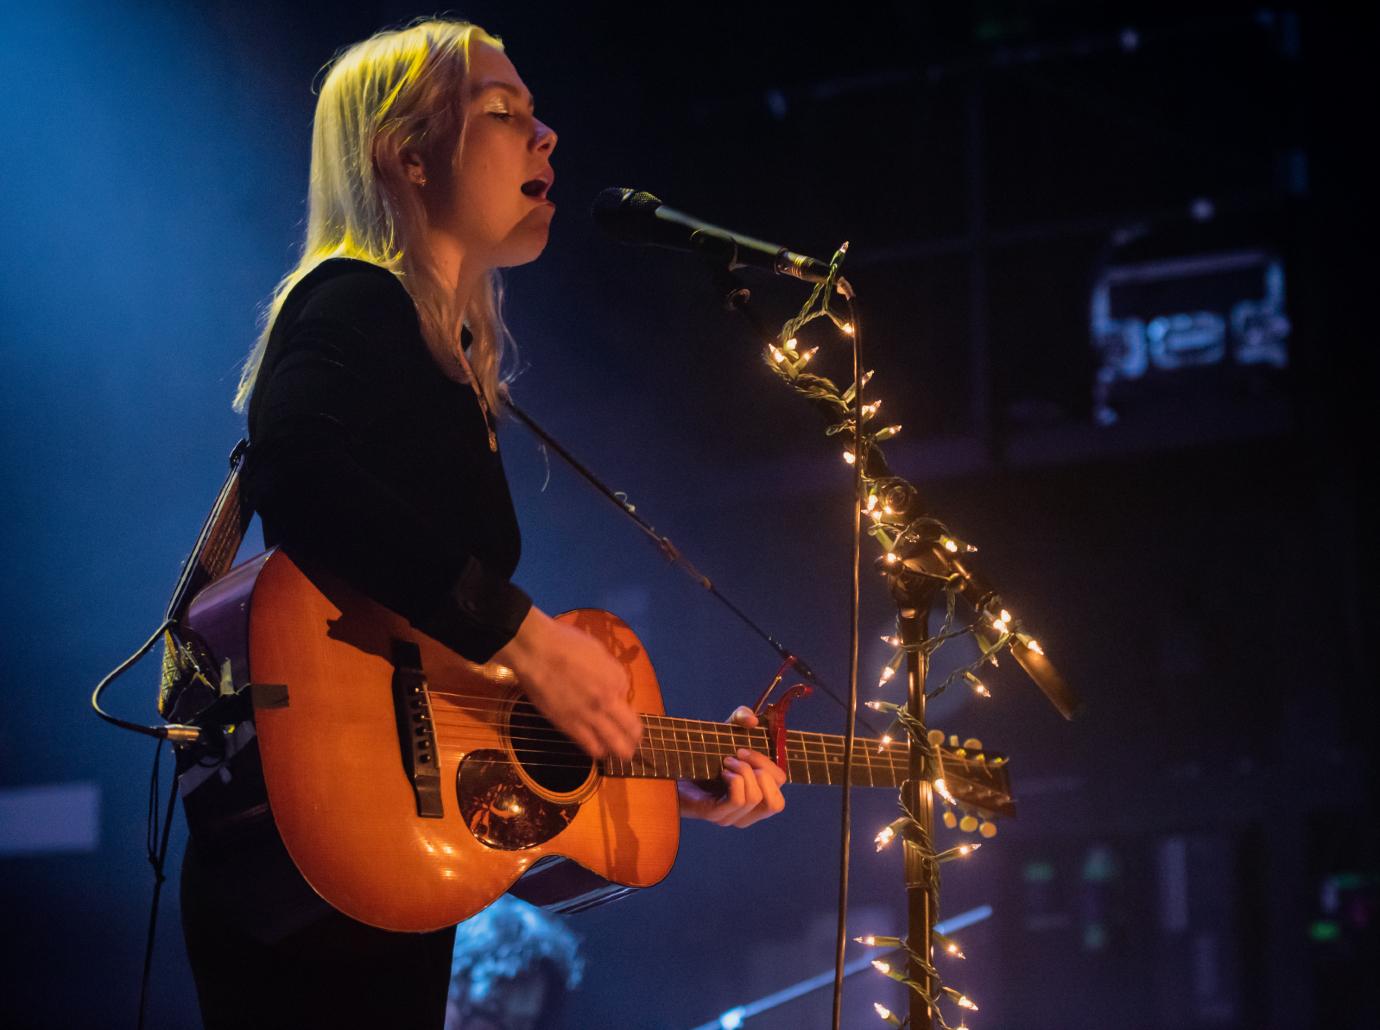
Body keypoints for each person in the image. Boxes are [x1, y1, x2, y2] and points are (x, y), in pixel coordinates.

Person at [180, 18, 787, 1029]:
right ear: (407, 154)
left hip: (385, 878)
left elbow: (457, 691)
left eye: (537, 115)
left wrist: (664, 766)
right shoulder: (351, 298)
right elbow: (300, 466)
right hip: (318, 889)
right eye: (505, 115)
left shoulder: (450, 358)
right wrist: (527, 636)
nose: (548, 135)